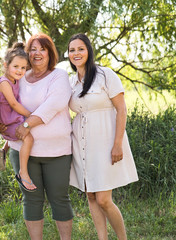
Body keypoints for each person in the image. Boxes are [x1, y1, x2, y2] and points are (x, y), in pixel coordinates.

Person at [0, 33, 74, 240]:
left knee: (59, 198)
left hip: (56, 151)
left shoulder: (59, 76)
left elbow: (55, 103)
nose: (37, 53)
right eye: (33, 49)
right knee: (31, 200)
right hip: (21, 150)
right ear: (26, 53)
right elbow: (6, 103)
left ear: (50, 53)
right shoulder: (19, 77)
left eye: (42, 49)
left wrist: (27, 124)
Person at [68, 33, 138, 240]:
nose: (76, 53)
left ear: (88, 51)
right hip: (81, 144)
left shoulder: (105, 75)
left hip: (105, 142)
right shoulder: (71, 82)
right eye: (72, 50)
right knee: (90, 194)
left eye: (80, 48)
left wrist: (118, 144)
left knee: (104, 199)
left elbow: (122, 110)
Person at [0, 42, 36, 192]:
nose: (20, 70)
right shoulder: (4, 82)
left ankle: (4, 149)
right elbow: (13, 103)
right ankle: (23, 172)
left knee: (23, 128)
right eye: (16, 67)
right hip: (8, 120)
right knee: (29, 138)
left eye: (23, 68)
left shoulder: (15, 80)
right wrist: (31, 115)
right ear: (6, 65)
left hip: (13, 119)